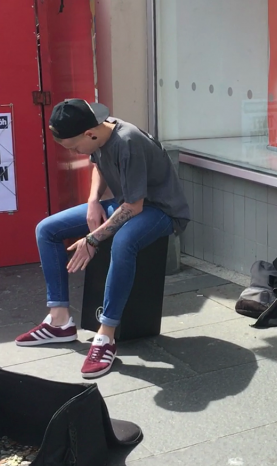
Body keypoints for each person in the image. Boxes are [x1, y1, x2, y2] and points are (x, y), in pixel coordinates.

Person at [15, 99, 190, 380]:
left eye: (74, 147)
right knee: (46, 230)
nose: (74, 153)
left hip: (161, 210)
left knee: (122, 242)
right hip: (125, 203)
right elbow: (99, 165)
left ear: (90, 134)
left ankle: (106, 336)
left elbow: (135, 207)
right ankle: (59, 321)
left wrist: (93, 239)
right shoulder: (100, 135)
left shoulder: (127, 141)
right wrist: (93, 199)